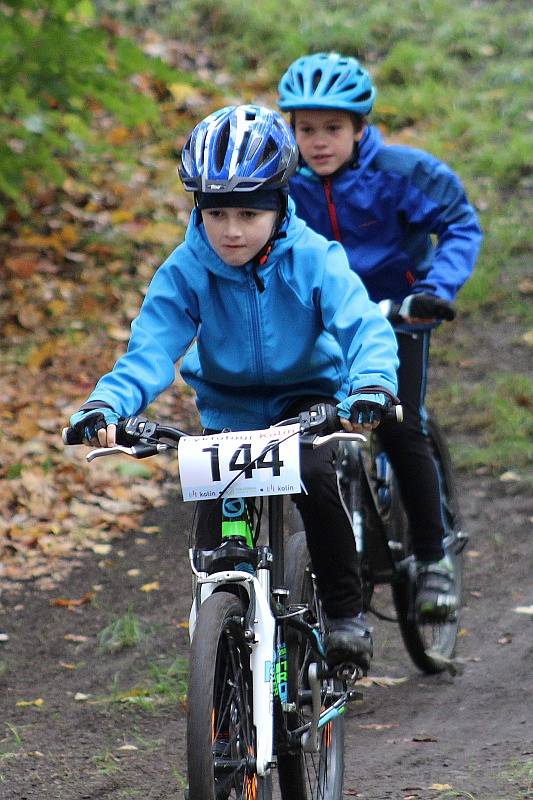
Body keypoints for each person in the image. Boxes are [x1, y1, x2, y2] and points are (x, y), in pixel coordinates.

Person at [66, 104, 399, 672]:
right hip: (230, 413)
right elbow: (149, 351)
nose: (232, 230)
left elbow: (363, 326)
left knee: (316, 478)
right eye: (217, 213)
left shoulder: (315, 258)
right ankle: (225, 651)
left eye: (249, 212)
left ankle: (345, 614)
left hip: (307, 403)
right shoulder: (185, 270)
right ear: (199, 209)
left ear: (279, 205)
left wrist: (369, 385)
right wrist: (107, 405)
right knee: (219, 537)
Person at [278, 52, 483, 621]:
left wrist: (436, 289)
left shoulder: (403, 172)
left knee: (399, 425)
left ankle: (434, 554)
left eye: (333, 129)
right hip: (322, 322)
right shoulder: (283, 184)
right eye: (306, 129)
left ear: (360, 128)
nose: (319, 142)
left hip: (398, 315)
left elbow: (460, 222)